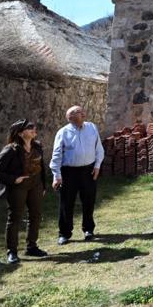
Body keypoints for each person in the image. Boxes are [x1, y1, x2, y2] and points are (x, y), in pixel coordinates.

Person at [0, 119, 49, 264]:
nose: (34, 129)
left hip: (35, 185)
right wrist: (13, 179)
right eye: (30, 128)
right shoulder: (11, 149)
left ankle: (32, 247)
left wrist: (43, 186)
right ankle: (12, 251)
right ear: (21, 133)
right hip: (18, 187)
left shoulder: (37, 146)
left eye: (34, 127)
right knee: (15, 218)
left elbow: (41, 167)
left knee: (35, 215)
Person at [50, 105, 104, 245]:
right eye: (80, 112)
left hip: (88, 170)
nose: (84, 114)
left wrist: (97, 165)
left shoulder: (92, 127)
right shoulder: (63, 132)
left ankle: (88, 230)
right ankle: (64, 233)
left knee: (89, 200)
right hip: (69, 172)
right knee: (66, 203)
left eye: (82, 111)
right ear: (71, 118)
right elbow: (56, 155)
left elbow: (98, 147)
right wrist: (56, 175)